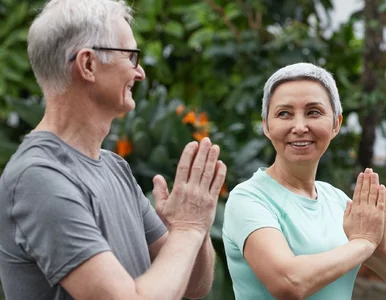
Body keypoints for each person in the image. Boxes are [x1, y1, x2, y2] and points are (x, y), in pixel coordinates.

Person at [0, 0, 227, 299]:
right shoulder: (37, 178)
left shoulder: (114, 166)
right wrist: (188, 229)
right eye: (131, 57)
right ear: (88, 64)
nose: (140, 72)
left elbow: (194, 287)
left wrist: (194, 227)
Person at [222, 62, 386, 300]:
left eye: (313, 112)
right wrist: (362, 242)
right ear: (266, 126)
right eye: (284, 114)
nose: (299, 127)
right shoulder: (248, 199)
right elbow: (288, 283)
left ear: (336, 124)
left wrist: (375, 234)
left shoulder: (338, 201)